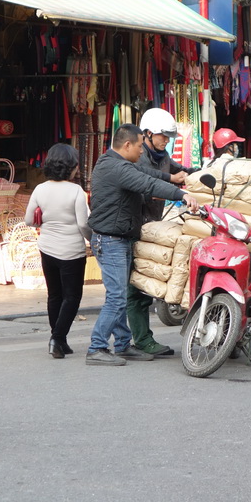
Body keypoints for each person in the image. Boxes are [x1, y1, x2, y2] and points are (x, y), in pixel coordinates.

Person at [86, 124, 198, 366]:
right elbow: (147, 184)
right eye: (138, 146)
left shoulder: (120, 164)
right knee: (116, 297)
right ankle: (96, 347)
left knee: (119, 296)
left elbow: (149, 176)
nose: (141, 151)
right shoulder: (114, 166)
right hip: (110, 240)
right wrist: (182, 195)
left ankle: (124, 345)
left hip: (119, 238)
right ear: (127, 145)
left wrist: (173, 179)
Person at [126, 108, 198, 356]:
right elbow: (148, 182)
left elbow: (180, 170)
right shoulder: (137, 156)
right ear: (147, 134)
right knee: (135, 288)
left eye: (169, 137)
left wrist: (198, 173)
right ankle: (140, 340)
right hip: (134, 225)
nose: (166, 141)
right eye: (162, 136)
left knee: (146, 284)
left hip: (153, 226)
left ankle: (139, 339)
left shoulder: (162, 155)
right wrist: (174, 183)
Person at [25, 143, 92, 358]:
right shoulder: (76, 191)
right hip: (71, 251)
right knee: (72, 297)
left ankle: (59, 340)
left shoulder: (40, 189)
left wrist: (46, 222)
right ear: (71, 167)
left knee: (54, 295)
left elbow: (29, 220)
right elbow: (83, 224)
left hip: (47, 248)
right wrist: (92, 240)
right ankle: (57, 338)